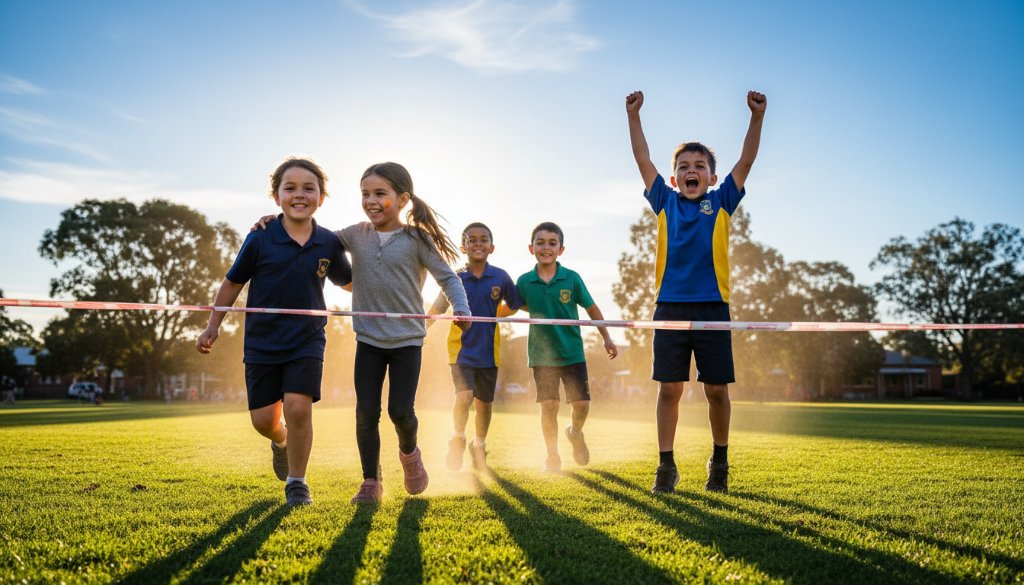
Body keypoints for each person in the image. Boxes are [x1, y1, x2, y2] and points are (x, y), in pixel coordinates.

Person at [258, 162, 471, 504]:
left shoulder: (418, 239)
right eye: (365, 194)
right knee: (366, 412)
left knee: (401, 411)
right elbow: (315, 237)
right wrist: (275, 224)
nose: (371, 200)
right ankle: (371, 481)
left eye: (379, 194)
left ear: (402, 199)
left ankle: (409, 453)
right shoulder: (355, 234)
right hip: (368, 340)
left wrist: (461, 307)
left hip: (406, 341)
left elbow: (448, 278)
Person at [625, 89, 767, 494]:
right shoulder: (665, 202)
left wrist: (756, 118)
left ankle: (719, 461)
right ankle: (666, 467)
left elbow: (746, 161)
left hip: (712, 307)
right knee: (670, 389)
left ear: (711, 177)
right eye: (684, 166)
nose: (692, 170)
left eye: (700, 166)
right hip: (669, 307)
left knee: (716, 391)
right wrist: (634, 117)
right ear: (674, 179)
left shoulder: (722, 202)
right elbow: (642, 159)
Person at [197, 157, 352, 506]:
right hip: (263, 342)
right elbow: (232, 283)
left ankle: (297, 482)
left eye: (309, 188)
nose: (300, 194)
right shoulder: (260, 238)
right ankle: (279, 440)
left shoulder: (329, 243)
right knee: (264, 420)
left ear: (321, 198)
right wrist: (212, 325)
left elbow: (351, 283)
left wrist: (392, 279)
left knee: (299, 408)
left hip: (308, 340)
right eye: (290, 187)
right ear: (276, 196)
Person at [514, 222, 617, 472]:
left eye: (552, 243)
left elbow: (591, 308)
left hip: (571, 352)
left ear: (561, 249)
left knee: (581, 404)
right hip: (541, 355)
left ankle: (575, 431)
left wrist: (606, 337)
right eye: (540, 242)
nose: (546, 247)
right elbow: (513, 306)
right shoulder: (524, 281)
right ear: (531, 248)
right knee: (549, 406)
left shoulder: (571, 278)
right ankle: (552, 455)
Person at [426, 222, 523, 471]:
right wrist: (421, 329)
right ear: (463, 247)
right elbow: (438, 308)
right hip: (461, 351)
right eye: (472, 239)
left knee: (484, 404)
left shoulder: (501, 277)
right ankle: (458, 438)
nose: (478, 243)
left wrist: (496, 315)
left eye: (483, 239)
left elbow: (514, 304)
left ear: (492, 247)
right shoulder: (455, 277)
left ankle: (479, 444)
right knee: (464, 396)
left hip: (489, 352)